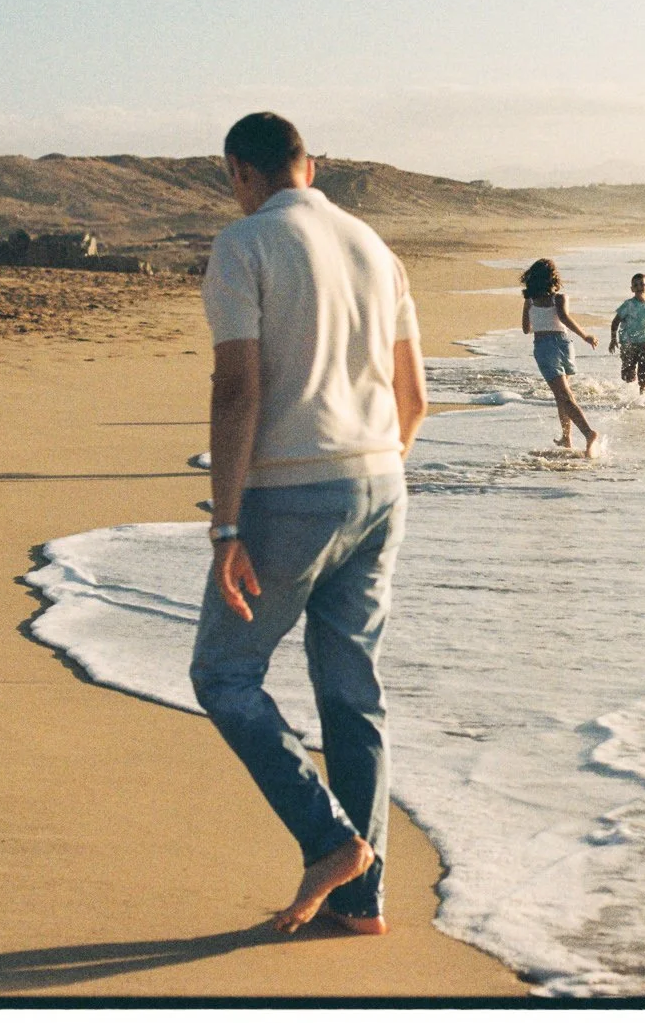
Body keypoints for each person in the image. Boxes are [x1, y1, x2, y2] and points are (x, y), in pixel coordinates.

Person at [188, 111, 429, 937]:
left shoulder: (244, 245)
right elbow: (414, 397)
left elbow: (238, 389)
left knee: (224, 675)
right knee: (353, 694)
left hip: (293, 489)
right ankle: (363, 903)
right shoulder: (375, 247)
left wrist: (227, 529)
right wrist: (374, 468)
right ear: (310, 165)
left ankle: (330, 840)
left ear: (238, 171)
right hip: (382, 482)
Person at [520, 257, 600, 456]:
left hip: (544, 347)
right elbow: (564, 318)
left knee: (564, 397)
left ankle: (588, 433)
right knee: (562, 395)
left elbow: (526, 329)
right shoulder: (560, 298)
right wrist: (585, 336)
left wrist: (536, 316)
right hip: (565, 344)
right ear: (553, 278)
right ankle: (566, 437)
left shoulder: (530, 301)